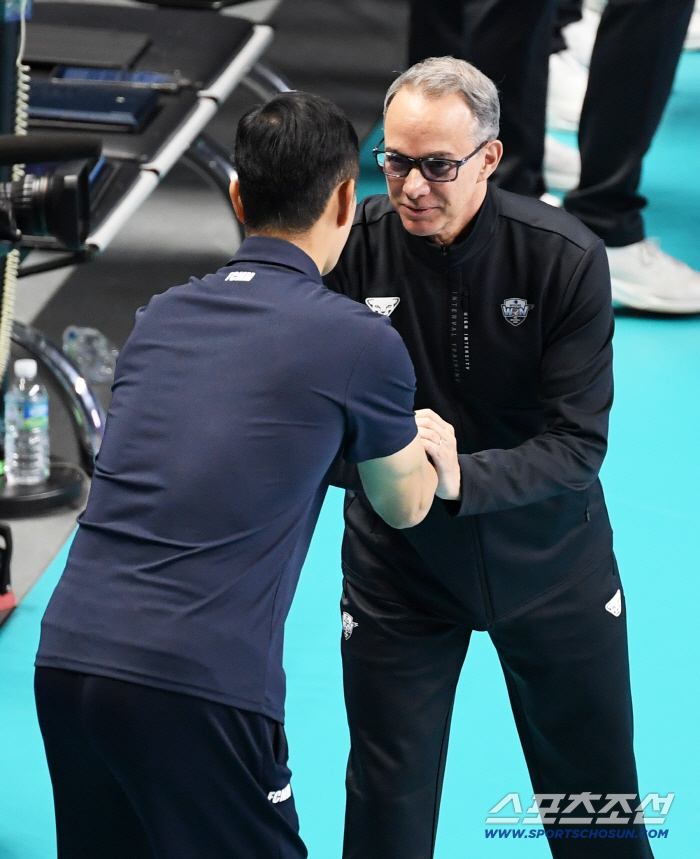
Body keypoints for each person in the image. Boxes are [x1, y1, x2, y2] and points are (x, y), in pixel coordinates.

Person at [33, 91, 439, 859]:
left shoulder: (158, 317)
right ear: (349, 199)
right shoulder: (361, 343)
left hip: (66, 663)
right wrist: (424, 444)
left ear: (236, 196)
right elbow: (405, 503)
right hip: (198, 688)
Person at [324, 58, 653, 859]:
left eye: (438, 166)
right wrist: (396, 462)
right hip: (398, 572)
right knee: (385, 815)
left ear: (491, 160)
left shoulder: (564, 259)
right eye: (395, 162)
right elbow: (311, 427)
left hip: (552, 569)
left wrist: (456, 472)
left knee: (596, 811)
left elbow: (578, 444)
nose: (410, 187)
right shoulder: (355, 252)